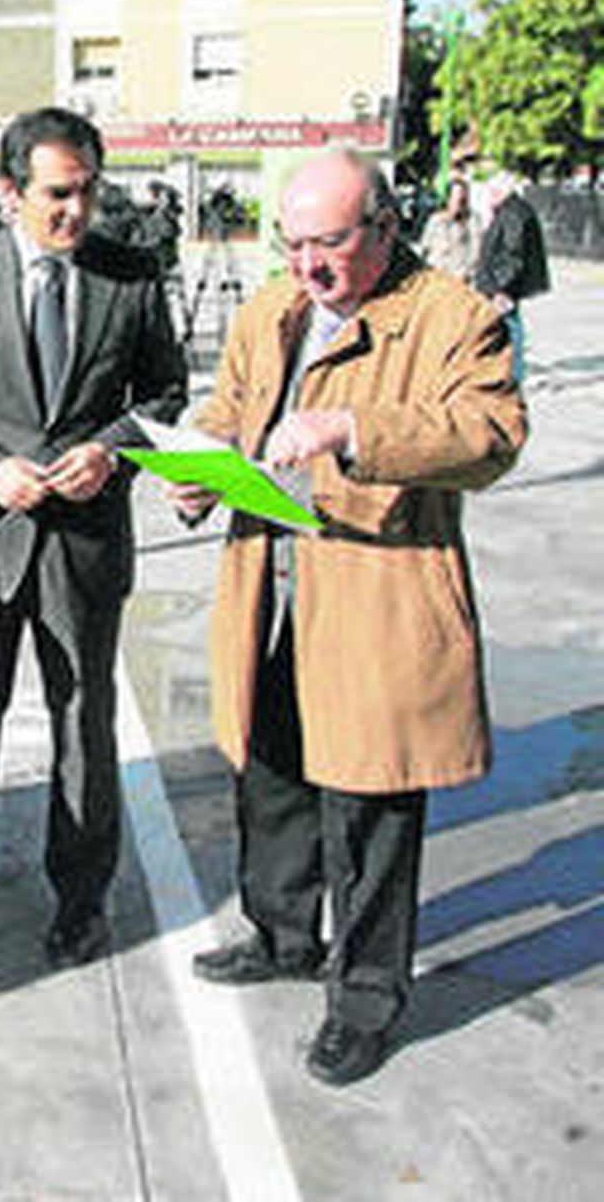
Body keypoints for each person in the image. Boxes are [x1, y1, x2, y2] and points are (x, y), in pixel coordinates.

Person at [169, 150, 526, 1086]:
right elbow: (231, 406)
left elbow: (491, 435)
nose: (306, 266)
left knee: (370, 804)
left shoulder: (452, 316)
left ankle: (366, 998)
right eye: (291, 243)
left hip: (377, 592)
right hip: (271, 585)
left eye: (327, 244)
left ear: (384, 225)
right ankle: (283, 934)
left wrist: (354, 430)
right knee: (273, 771)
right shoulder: (272, 306)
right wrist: (197, 472)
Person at [0, 107, 188, 966]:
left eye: (89, 191)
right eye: (59, 194)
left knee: (81, 718)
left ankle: (82, 896)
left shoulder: (131, 274)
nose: (77, 212)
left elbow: (164, 390)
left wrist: (112, 451)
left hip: (85, 540)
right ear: (8, 192)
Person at [474, 170, 550, 382]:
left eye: (491, 192)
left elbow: (513, 254)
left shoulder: (512, 213)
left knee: (510, 329)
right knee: (506, 329)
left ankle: (513, 376)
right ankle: (506, 373)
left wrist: (501, 288)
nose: (488, 197)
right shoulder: (511, 210)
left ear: (501, 191)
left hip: (502, 288)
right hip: (500, 285)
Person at [417, 175, 477, 283]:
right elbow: (424, 247)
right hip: (434, 277)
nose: (458, 204)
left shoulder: (472, 222)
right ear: (448, 198)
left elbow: (476, 253)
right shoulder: (435, 220)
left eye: (462, 200)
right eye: (455, 199)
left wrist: (467, 273)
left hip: (457, 278)